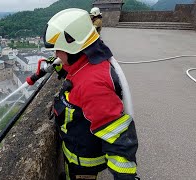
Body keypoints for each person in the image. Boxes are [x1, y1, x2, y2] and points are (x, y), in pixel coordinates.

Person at [43, 8, 139, 180]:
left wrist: (125, 177)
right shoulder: (87, 60)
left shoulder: (93, 85)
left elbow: (118, 139)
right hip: (76, 153)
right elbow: (74, 71)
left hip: (84, 165)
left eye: (59, 50)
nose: (56, 54)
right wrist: (59, 66)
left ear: (74, 46)